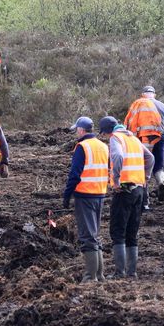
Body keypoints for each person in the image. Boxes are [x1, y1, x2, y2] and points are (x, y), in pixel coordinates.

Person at [101, 117, 154, 278]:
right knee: (132, 232)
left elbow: (117, 157)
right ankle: (132, 272)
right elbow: (150, 158)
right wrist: (145, 177)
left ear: (107, 131)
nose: (105, 137)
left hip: (124, 190)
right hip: (139, 190)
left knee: (118, 231)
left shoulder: (116, 138)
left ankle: (120, 272)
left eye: (103, 134)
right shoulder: (133, 139)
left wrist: (116, 180)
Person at [62, 116, 109, 282]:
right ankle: (100, 275)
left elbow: (74, 174)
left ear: (81, 130)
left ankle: (90, 277)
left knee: (87, 236)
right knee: (95, 234)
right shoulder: (103, 146)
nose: (76, 132)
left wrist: (67, 195)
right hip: (100, 194)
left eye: (77, 130)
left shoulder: (82, 147)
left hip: (85, 195)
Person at [125, 85, 164, 205]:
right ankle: (161, 182)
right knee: (159, 165)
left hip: (144, 138)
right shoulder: (162, 105)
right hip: (160, 136)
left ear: (143, 94)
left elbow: (130, 123)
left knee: (144, 166)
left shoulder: (138, 104)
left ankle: (145, 198)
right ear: (154, 94)